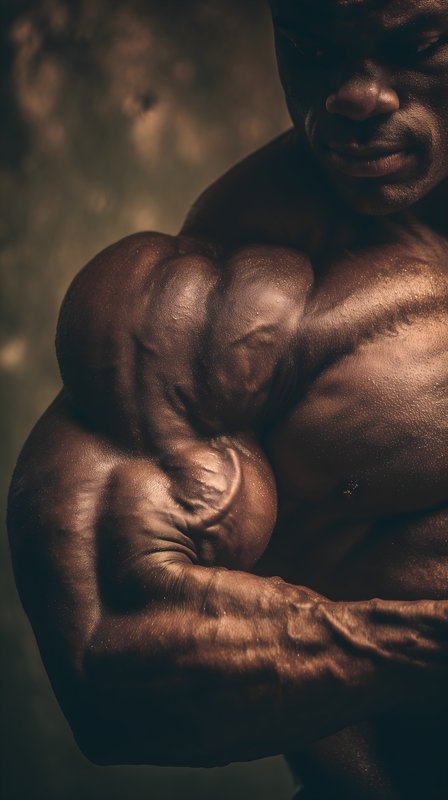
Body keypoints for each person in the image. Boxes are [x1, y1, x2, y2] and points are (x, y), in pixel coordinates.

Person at [7, 0, 448, 796]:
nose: (357, 96)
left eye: (419, 46)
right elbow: (106, 655)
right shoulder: (242, 290)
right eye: (312, 50)